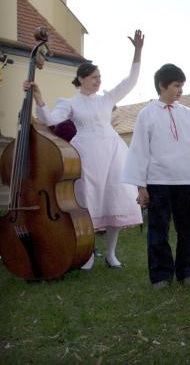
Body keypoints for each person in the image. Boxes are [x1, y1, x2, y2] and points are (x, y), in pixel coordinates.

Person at [29, 30, 144, 270]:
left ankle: (111, 254)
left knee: (115, 200)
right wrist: (39, 99)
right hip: (86, 155)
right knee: (88, 203)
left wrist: (138, 52)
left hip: (113, 153)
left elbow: (131, 81)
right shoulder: (69, 103)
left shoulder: (106, 99)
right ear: (81, 79)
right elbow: (50, 120)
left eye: (99, 77)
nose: (98, 81)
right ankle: (87, 253)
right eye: (93, 77)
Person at [123, 63, 190, 289]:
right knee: (158, 230)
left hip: (184, 180)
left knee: (187, 229)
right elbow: (139, 150)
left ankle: (187, 272)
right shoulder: (147, 114)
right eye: (176, 86)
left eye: (182, 86)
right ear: (162, 86)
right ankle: (161, 275)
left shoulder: (188, 114)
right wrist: (141, 186)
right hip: (158, 181)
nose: (180, 90)